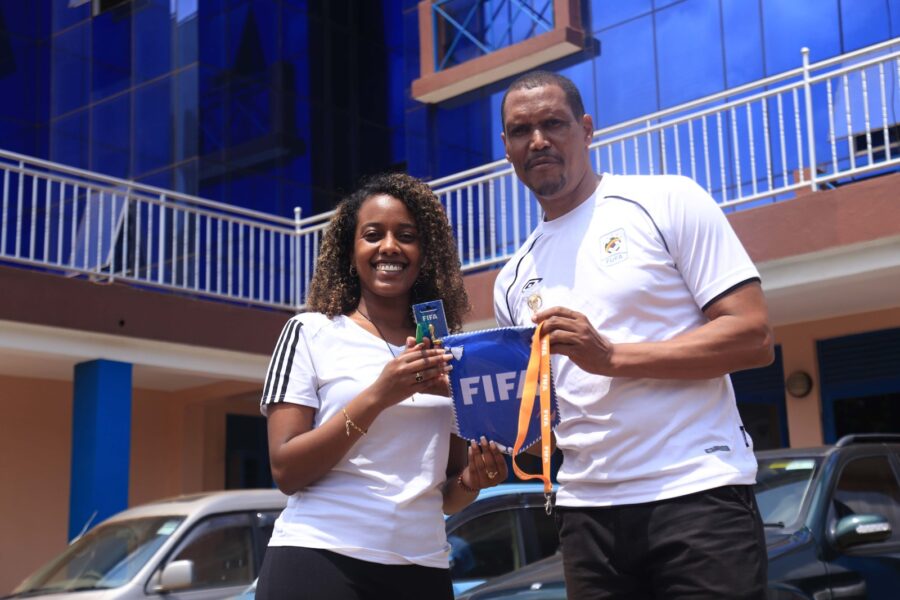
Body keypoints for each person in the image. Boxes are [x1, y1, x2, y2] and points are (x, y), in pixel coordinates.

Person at [493, 71, 775, 599]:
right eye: (521, 130)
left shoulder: (666, 200)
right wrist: (477, 421)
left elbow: (752, 336)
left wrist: (611, 356)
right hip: (586, 517)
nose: (538, 140)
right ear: (506, 148)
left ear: (586, 129)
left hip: (696, 494)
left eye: (553, 123)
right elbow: (538, 425)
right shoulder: (512, 278)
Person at [257, 172, 508, 600]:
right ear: (350, 250)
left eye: (406, 236)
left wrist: (474, 479)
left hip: (422, 567)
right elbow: (286, 471)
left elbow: (446, 494)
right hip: (320, 559)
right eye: (373, 235)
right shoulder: (311, 332)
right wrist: (379, 395)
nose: (389, 246)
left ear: (424, 253)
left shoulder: (448, 354)